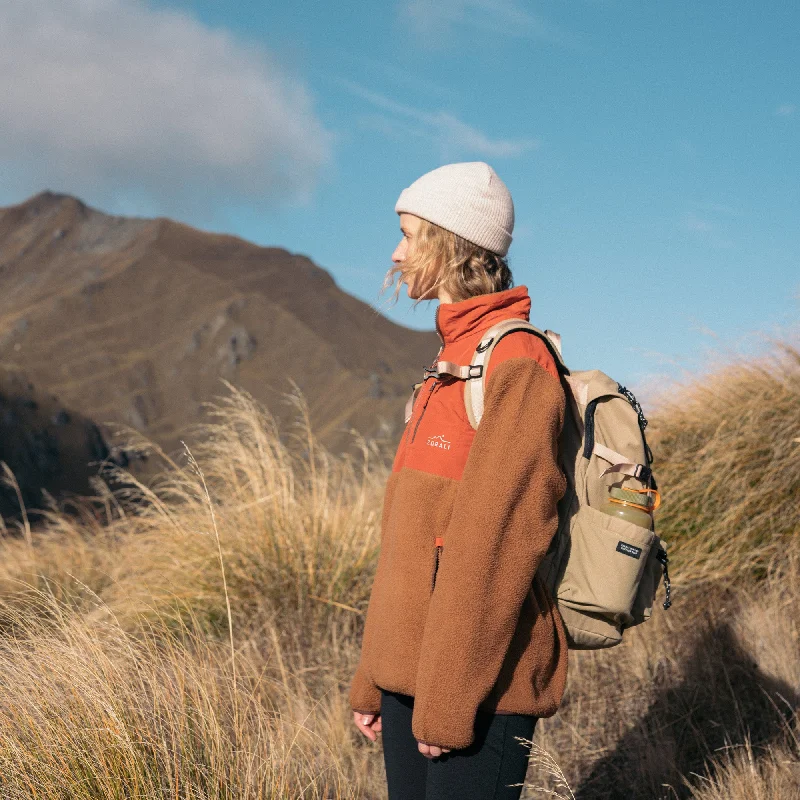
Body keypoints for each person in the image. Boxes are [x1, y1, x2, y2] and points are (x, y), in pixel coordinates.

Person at [350, 162, 569, 800]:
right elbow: (408, 545)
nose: (396, 251)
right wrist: (374, 676)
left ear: (451, 243)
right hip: (408, 678)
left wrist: (449, 699)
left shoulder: (517, 363)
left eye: (410, 235)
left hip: (479, 688)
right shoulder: (445, 366)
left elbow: (499, 541)